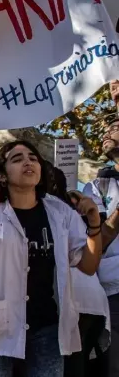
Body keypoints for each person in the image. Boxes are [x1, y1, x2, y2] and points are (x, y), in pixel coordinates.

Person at [0, 141, 103, 377]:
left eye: (33, 157)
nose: (28, 162)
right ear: (2, 174)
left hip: (47, 328)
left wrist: (94, 225)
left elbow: (89, 267)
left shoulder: (61, 212)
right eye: (17, 159)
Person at [45, 163, 109, 377]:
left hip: (72, 302)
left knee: (68, 366)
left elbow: (85, 262)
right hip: (91, 301)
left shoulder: (58, 211)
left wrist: (93, 221)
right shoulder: (70, 210)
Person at [83, 112, 119, 376]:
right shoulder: (96, 187)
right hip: (113, 289)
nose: (105, 133)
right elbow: (99, 240)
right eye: (105, 128)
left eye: (114, 127)